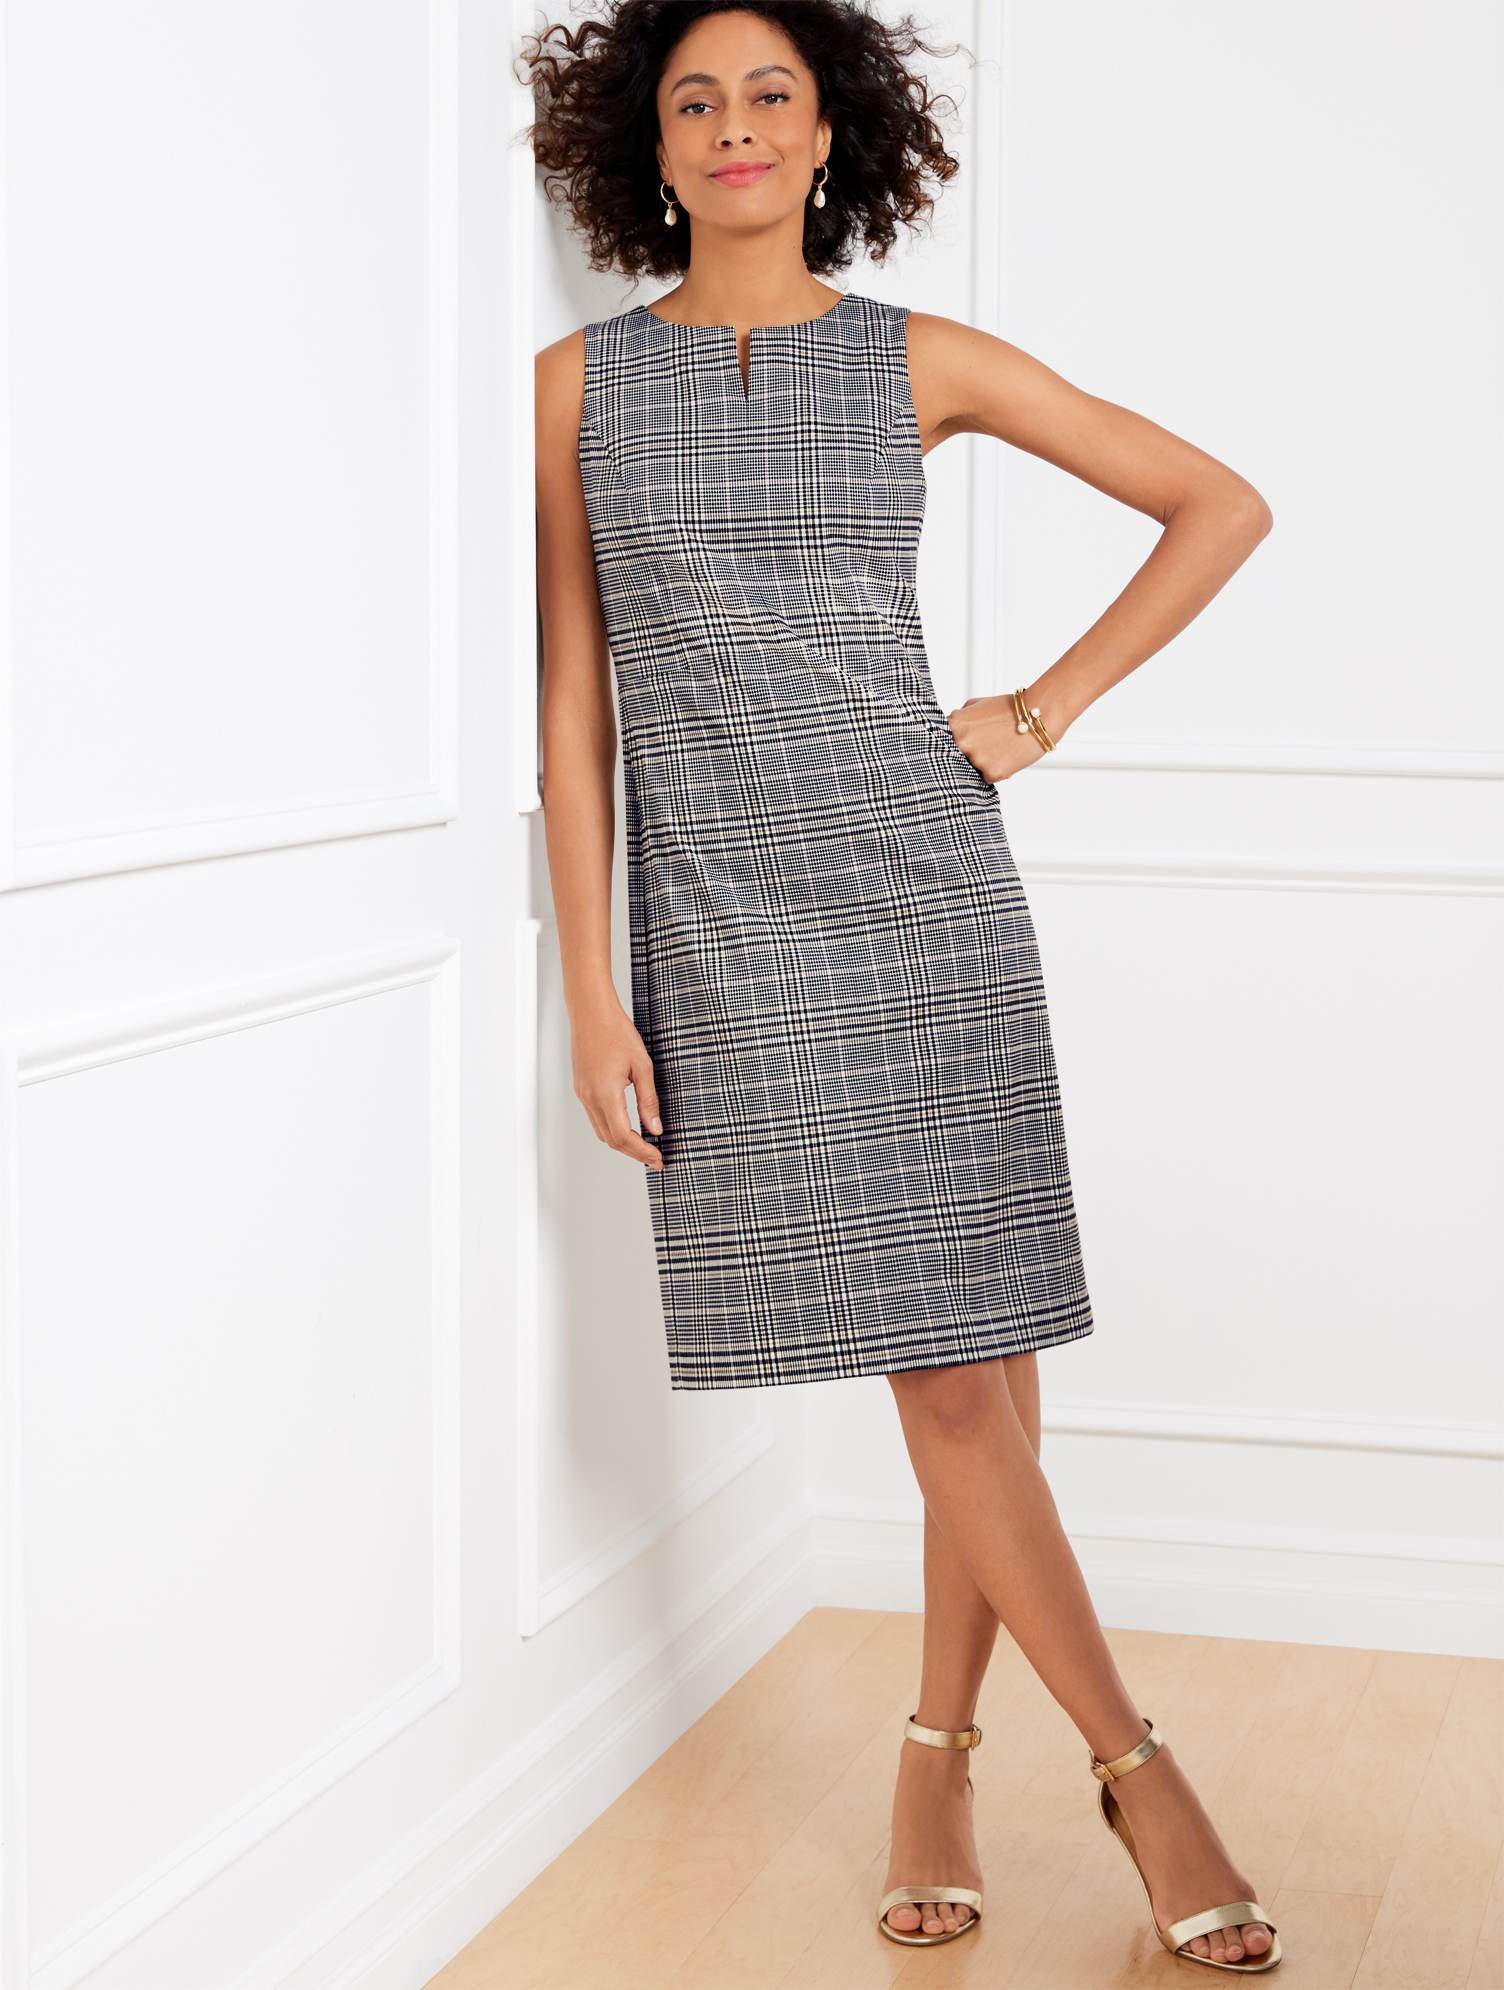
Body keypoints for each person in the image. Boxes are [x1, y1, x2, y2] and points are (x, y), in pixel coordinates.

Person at [529, 0, 1277, 1970]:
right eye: (695, 100)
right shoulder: (573, 389)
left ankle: (956, 1755)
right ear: (647, 151)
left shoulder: (917, 359)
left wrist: (1036, 709)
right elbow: (572, 712)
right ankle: (1132, 1764)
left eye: (770, 94)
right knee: (952, 1370)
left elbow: (1217, 503)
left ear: (828, 133)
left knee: (971, 1362)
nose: (734, 125)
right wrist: (592, 991)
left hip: (928, 896)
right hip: (726, 929)